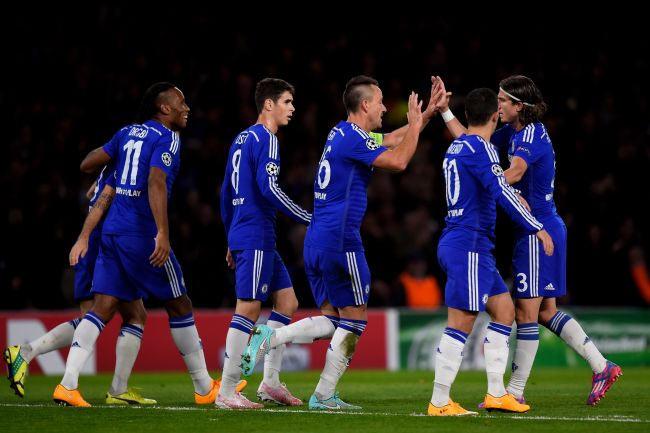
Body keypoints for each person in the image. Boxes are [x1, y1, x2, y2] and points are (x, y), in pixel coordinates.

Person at [244, 75, 437, 410]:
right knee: (356, 318)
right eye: (379, 101)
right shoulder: (352, 139)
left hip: (317, 239)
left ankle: (280, 346)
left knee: (335, 318)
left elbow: (392, 138)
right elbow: (400, 160)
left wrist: (424, 118)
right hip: (341, 240)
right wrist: (416, 125)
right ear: (365, 104)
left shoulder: (342, 133)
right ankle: (317, 387)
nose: (384, 107)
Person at [434, 75, 622, 407]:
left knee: (525, 312)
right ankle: (601, 365)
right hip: (531, 228)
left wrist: (492, 183)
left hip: (538, 228)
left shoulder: (532, 133)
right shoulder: (511, 131)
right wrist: (447, 114)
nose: (499, 105)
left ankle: (515, 390)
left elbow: (515, 170)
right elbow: (473, 142)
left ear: (519, 106)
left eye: (504, 100)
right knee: (546, 311)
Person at [52, 82, 235, 407]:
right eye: (181, 103)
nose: (187, 108)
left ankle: (67, 384)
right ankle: (204, 386)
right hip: (141, 236)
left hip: (111, 233)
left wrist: (114, 166)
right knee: (179, 303)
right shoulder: (168, 138)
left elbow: (87, 163)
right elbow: (156, 181)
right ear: (164, 109)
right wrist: (162, 233)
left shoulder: (126, 133)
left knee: (103, 307)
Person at [427, 87, 553, 416]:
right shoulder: (479, 149)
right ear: (495, 116)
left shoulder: (459, 145)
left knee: (504, 311)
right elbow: (500, 190)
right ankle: (439, 401)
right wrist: (536, 226)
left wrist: (444, 112)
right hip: (467, 244)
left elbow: (492, 184)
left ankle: (497, 394)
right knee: (462, 321)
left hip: (473, 246)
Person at [4, 166, 155, 405]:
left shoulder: (115, 165)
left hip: (104, 245)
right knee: (101, 317)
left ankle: (114, 388)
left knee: (132, 314)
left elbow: (91, 193)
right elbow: (98, 200)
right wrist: (86, 237)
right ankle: (57, 373)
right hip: (102, 249)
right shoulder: (127, 166)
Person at [217, 78, 310, 409]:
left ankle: (269, 383)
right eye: (287, 101)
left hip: (250, 233)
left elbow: (225, 193)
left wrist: (230, 236)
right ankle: (227, 391)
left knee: (286, 302)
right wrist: (308, 217)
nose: (292, 108)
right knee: (249, 307)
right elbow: (268, 189)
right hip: (256, 233)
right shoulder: (267, 139)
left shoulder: (240, 139)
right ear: (268, 105)